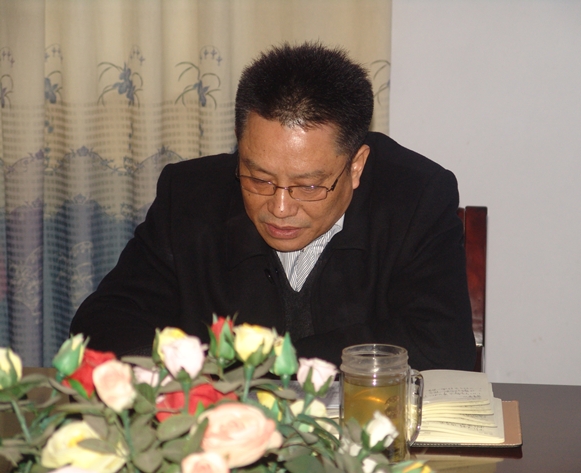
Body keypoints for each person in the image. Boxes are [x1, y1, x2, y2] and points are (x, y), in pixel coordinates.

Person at [71, 42, 476, 371]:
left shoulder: (417, 198)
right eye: (259, 179)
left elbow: (442, 347)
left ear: (356, 166)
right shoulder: (190, 196)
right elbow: (103, 322)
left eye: (309, 185)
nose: (279, 208)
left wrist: (259, 366)